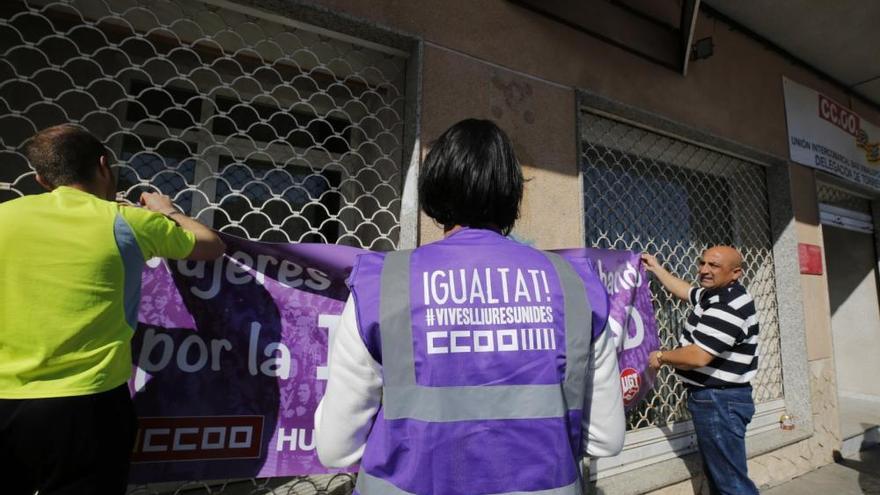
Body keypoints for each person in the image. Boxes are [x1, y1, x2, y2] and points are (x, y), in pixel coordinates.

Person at [315, 119, 625, 494]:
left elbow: (335, 448)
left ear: (435, 185)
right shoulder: (575, 285)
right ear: (511, 193)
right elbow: (606, 440)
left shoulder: (383, 283)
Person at [0, 124, 225, 494]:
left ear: (41, 178)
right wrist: (166, 211)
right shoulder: (127, 222)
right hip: (86, 404)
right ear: (104, 165)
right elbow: (211, 245)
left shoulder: (6, 216)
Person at [641, 247, 759, 495]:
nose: (704, 270)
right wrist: (657, 269)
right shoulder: (716, 294)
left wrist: (661, 357)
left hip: (719, 400)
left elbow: (697, 356)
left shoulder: (728, 305)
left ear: (735, 272)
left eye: (714, 266)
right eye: (702, 263)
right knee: (722, 476)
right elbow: (686, 292)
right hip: (720, 399)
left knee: (731, 483)